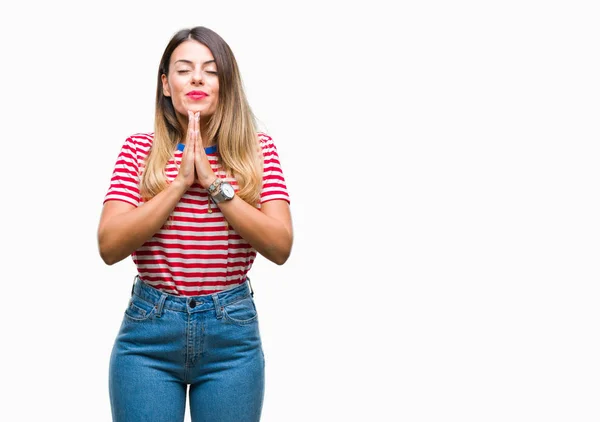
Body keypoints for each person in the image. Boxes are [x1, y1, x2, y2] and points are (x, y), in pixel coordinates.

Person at [97, 26, 293, 422]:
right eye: (184, 69)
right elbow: (109, 245)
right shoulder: (139, 149)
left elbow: (280, 245)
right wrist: (180, 184)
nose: (198, 78)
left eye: (211, 69)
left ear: (226, 83)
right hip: (149, 336)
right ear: (167, 85)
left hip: (231, 336)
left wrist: (215, 184)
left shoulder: (257, 150)